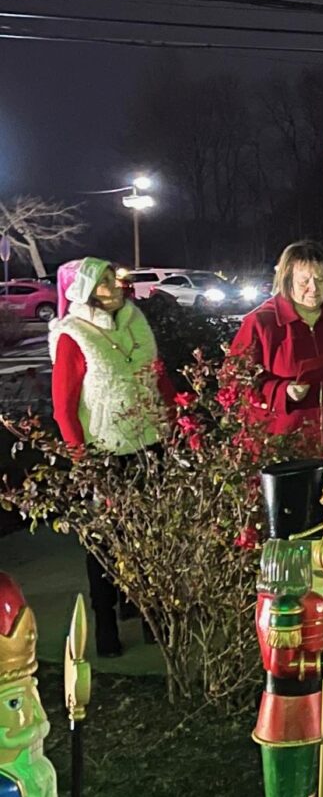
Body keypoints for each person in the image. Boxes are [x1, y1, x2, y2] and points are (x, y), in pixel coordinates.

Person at [48, 257, 175, 656]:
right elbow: (64, 407)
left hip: (149, 442)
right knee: (105, 540)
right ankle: (106, 621)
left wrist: (176, 420)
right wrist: (81, 459)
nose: (115, 285)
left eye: (115, 278)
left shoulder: (136, 322)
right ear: (87, 290)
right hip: (105, 450)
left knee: (151, 533)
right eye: (104, 281)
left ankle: (150, 610)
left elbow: (158, 376)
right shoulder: (74, 335)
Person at [227, 240, 323, 460]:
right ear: (286, 281)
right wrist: (281, 391)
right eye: (304, 281)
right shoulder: (261, 324)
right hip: (281, 449)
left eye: (320, 280)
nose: (314, 289)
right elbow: (234, 383)